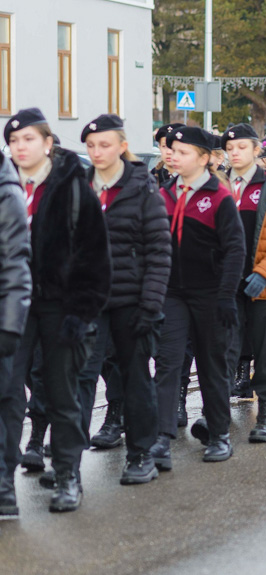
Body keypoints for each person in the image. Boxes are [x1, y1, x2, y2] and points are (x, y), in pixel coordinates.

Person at [5, 108, 111, 512]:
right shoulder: (6, 185)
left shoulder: (72, 188)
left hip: (62, 306)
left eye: (28, 139)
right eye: (13, 141)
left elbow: (95, 257)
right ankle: (5, 481)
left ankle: (68, 475)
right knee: (9, 391)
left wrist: (82, 313)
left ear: (48, 143)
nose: (20, 147)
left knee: (63, 393)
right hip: (15, 304)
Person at [79, 115, 171, 484]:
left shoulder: (141, 187)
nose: (98, 152)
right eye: (91, 146)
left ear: (121, 146)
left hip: (132, 301)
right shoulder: (82, 187)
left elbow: (159, 250)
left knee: (135, 377)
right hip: (90, 303)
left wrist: (150, 304)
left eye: (105, 145)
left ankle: (140, 454)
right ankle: (68, 464)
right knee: (81, 378)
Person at [151, 126, 245, 469]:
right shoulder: (163, 194)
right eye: (172, 150)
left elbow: (236, 249)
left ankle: (219, 435)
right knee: (168, 364)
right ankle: (161, 438)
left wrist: (225, 296)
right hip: (172, 294)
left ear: (205, 159)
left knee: (211, 364)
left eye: (183, 151)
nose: (174, 155)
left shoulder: (218, 197)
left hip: (211, 294)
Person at [221, 124, 266, 443]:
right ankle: (217, 416)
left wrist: (264, 273)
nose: (235, 152)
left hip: (264, 284)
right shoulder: (218, 185)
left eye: (241, 147)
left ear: (255, 150)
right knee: (223, 351)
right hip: (227, 285)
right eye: (230, 147)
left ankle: (264, 415)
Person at [0, 148, 31, 520]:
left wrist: (9, 325)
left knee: (5, 399)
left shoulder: (6, 192)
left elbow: (15, 262)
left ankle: (3, 484)